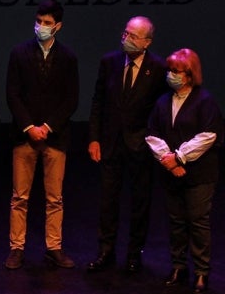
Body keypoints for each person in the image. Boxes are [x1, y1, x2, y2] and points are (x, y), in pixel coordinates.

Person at [87, 16, 168, 273]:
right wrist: (94, 138)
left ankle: (134, 255)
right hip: (111, 143)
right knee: (108, 201)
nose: (126, 39)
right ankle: (105, 252)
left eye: (133, 36)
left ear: (147, 42)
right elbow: (98, 101)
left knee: (139, 203)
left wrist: (152, 142)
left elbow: (160, 110)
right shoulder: (109, 62)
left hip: (140, 146)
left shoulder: (157, 68)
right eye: (125, 33)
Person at [4, 0, 79, 269]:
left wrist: (47, 127)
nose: (41, 27)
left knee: (54, 198)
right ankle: (16, 248)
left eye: (47, 23)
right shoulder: (19, 53)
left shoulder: (68, 57)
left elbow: (71, 99)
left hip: (55, 138)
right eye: (39, 21)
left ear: (57, 26)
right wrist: (29, 127)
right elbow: (12, 94)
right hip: (24, 136)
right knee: (20, 196)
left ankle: (54, 247)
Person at [145, 48, 223, 293]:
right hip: (171, 174)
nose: (170, 75)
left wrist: (179, 157)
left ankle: (202, 272)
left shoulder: (205, 101)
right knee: (176, 222)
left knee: (198, 222)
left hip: (199, 175)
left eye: (176, 71)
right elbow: (152, 134)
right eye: (169, 70)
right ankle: (178, 266)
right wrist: (168, 160)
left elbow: (208, 135)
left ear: (189, 75)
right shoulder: (162, 101)